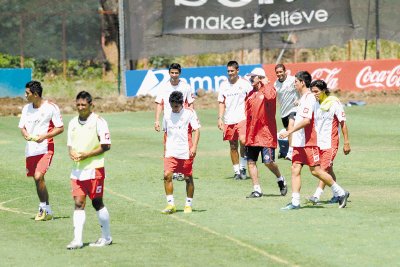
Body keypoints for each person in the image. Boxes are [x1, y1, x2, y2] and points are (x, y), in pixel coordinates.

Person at [279, 71, 350, 210]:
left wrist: (289, 131)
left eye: (296, 82)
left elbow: (306, 121)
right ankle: (295, 202)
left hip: (309, 141)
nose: (294, 84)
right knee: (295, 169)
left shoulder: (310, 98)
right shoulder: (304, 98)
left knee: (316, 171)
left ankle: (341, 193)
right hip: (299, 142)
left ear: (302, 83)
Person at [66, 91, 112, 249]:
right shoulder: (72, 122)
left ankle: (106, 237)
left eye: (83, 105)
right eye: (78, 105)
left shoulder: (99, 121)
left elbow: (106, 145)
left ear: (91, 105)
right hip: (77, 170)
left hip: (94, 169)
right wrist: (72, 153)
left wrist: (87, 154)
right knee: (78, 203)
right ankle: (77, 240)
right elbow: (70, 145)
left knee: (97, 202)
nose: (80, 108)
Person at [18, 81, 64, 221]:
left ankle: (42, 208)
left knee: (39, 176)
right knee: (38, 180)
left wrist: (45, 136)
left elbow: (60, 127)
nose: (25, 95)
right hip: (31, 150)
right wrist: (25, 134)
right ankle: (47, 210)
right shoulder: (26, 109)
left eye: (27, 93)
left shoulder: (51, 108)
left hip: (45, 147)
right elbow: (22, 127)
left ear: (36, 94)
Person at [244, 68, 287, 198]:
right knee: (251, 162)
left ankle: (280, 179)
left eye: (253, 77)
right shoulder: (250, 94)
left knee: (268, 162)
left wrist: (266, 83)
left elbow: (271, 96)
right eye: (250, 77)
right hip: (252, 134)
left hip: (266, 134)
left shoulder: (269, 89)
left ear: (260, 78)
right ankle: (257, 189)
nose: (251, 79)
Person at [307, 80, 351, 204]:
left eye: (316, 91)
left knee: (323, 169)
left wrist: (346, 142)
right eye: (312, 92)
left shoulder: (334, 103)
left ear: (324, 90)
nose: (314, 94)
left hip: (330, 143)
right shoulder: (315, 103)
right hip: (318, 143)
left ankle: (316, 196)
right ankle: (339, 194)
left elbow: (343, 123)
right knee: (328, 170)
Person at [161, 91, 200, 214]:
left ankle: (188, 205)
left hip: (185, 150)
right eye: (172, 106)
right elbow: (166, 133)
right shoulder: (167, 114)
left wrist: (194, 147)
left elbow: (197, 130)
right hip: (171, 151)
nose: (174, 109)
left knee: (188, 178)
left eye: (176, 106)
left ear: (181, 103)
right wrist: (165, 149)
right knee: (167, 175)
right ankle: (170, 204)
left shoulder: (189, 113)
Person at [154, 63, 195, 181]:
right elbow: (159, 103)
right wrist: (157, 120)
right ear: (169, 73)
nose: (174, 75)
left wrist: (192, 118)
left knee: (185, 145)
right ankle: (170, 169)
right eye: (172, 72)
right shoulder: (163, 87)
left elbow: (190, 102)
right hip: (169, 121)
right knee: (168, 145)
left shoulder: (186, 86)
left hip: (183, 122)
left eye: (176, 73)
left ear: (180, 73)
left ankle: (182, 170)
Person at [217, 61, 252, 180]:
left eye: (232, 71)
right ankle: (237, 171)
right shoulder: (223, 85)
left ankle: (243, 167)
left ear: (237, 71)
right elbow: (221, 102)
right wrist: (220, 118)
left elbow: (252, 99)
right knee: (233, 146)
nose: (230, 73)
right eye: (228, 71)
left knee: (243, 141)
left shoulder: (245, 84)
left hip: (242, 118)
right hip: (228, 119)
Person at [274, 64, 299, 160]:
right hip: (283, 112)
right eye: (277, 72)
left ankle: (290, 152)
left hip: (294, 109)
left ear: (285, 71)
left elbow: (302, 89)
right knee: (289, 131)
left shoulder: (293, 80)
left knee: (290, 127)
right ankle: (284, 149)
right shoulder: (275, 84)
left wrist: (299, 100)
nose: (279, 74)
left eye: (281, 71)